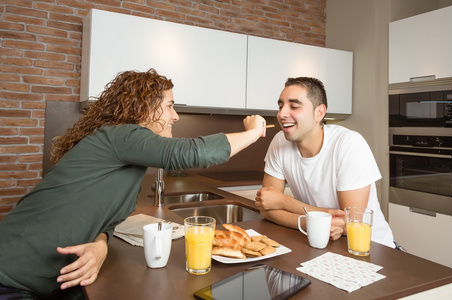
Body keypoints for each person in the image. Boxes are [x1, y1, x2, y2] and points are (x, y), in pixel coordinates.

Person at [0, 68, 268, 299]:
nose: (175, 117)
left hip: (51, 284)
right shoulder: (121, 136)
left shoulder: (128, 160)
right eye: (169, 106)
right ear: (143, 107)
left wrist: (101, 245)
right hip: (10, 276)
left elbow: (107, 222)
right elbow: (187, 153)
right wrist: (254, 133)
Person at [254, 77, 395, 248]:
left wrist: (284, 202)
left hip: (372, 249)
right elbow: (266, 207)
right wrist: (309, 223)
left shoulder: (348, 144)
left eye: (294, 106)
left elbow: (350, 222)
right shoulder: (279, 142)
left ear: (319, 113)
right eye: (280, 106)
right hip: (320, 245)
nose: (282, 114)